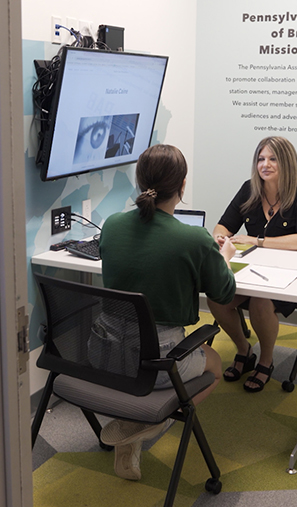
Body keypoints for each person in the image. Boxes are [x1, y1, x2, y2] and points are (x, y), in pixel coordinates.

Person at [97, 143, 238, 480]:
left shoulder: (112, 225)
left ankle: (129, 442)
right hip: (158, 364)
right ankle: (149, 421)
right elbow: (224, 292)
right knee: (216, 365)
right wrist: (225, 259)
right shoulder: (194, 239)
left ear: (139, 180)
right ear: (182, 186)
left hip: (104, 354)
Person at [207, 136, 297, 392]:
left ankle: (266, 359)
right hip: (250, 272)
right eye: (260, 159)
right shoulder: (249, 189)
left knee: (260, 302)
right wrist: (220, 237)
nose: (265, 164)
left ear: (287, 162)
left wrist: (258, 241)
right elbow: (222, 225)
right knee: (216, 298)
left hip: (290, 276)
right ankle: (244, 350)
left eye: (272, 159)